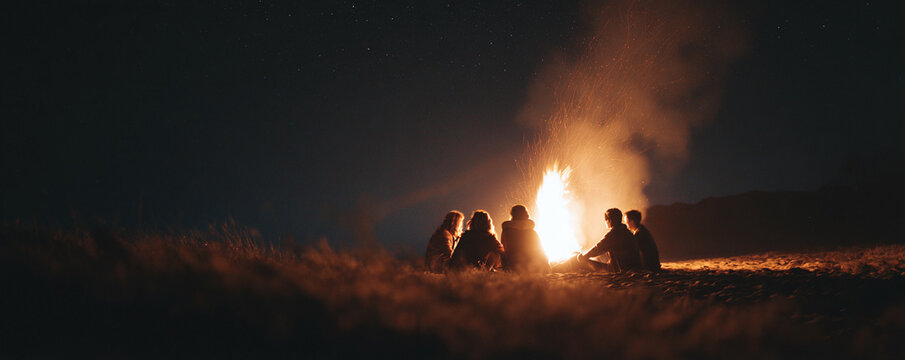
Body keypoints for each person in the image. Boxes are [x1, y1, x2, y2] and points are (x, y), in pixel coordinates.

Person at [578, 208, 641, 272]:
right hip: (632, 267)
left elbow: (598, 248)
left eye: (606, 219)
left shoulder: (613, 234)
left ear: (610, 220)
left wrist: (583, 257)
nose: (605, 222)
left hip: (621, 270)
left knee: (578, 261)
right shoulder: (627, 232)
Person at [500, 205, 550, 273]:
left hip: (512, 266)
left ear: (512, 215)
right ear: (526, 214)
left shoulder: (506, 231)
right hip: (532, 266)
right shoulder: (532, 232)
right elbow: (539, 250)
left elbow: (504, 247)